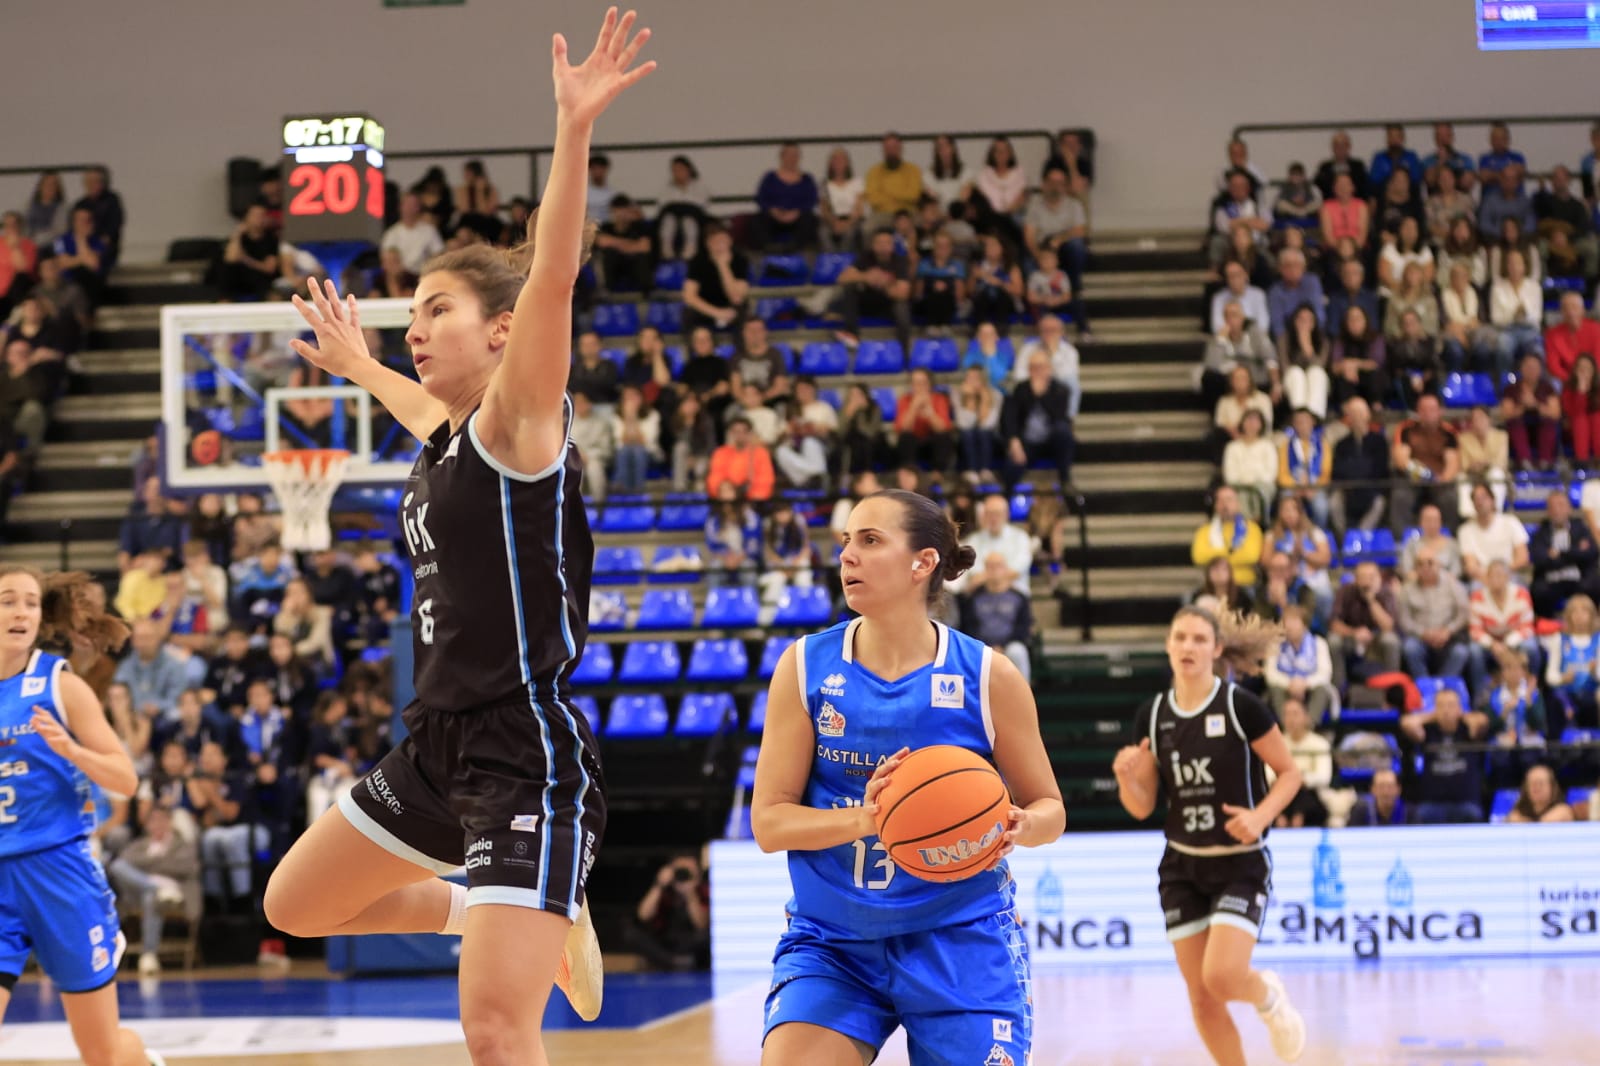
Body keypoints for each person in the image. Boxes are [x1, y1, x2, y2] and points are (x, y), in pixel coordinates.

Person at [263, 12, 655, 1053]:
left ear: (500, 329)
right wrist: (355, 365)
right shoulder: (450, 440)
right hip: (437, 746)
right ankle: (492, 906)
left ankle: (521, 907)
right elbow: (418, 410)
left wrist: (572, 133)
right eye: (413, 313)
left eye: (436, 308)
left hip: (521, 747)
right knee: (296, 904)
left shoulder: (523, 423)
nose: (416, 325)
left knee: (491, 1028)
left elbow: (555, 281)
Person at [752, 488, 1064, 1066]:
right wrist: (870, 819)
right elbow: (769, 824)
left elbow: (1050, 806)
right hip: (836, 941)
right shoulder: (804, 666)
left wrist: (1023, 823)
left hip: (961, 940)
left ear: (923, 564)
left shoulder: (988, 676)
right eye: (846, 541)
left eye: (870, 541)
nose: (847, 555)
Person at [1113, 606, 1306, 1065]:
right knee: (1201, 996)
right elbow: (1141, 807)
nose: (1188, 647)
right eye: (1180, 637)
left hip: (1240, 862)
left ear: (1217, 650)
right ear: (1168, 645)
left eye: (1199, 639)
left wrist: (1260, 817)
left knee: (1222, 976)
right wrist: (1127, 778)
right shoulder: (1154, 715)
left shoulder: (1241, 706)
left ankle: (1269, 998)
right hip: (1182, 865)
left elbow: (1290, 774)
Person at [0, 567, 167, 1066]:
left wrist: (71, 750)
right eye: (9, 601)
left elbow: (126, 780)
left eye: (30, 602)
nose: (22, 611)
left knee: (102, 1054)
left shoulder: (59, 685)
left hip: (60, 874)